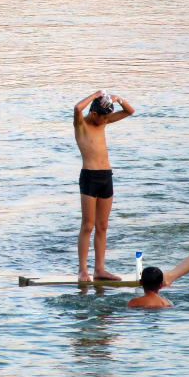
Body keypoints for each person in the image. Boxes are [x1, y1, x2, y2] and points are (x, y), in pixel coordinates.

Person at [74, 90, 135, 282]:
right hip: (90, 177)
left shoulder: (103, 121)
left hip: (106, 176)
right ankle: (83, 270)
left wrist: (117, 99)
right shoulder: (81, 125)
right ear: (94, 114)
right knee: (88, 226)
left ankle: (99, 269)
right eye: (104, 117)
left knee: (103, 226)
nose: (107, 121)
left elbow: (129, 111)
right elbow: (77, 108)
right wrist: (94, 96)